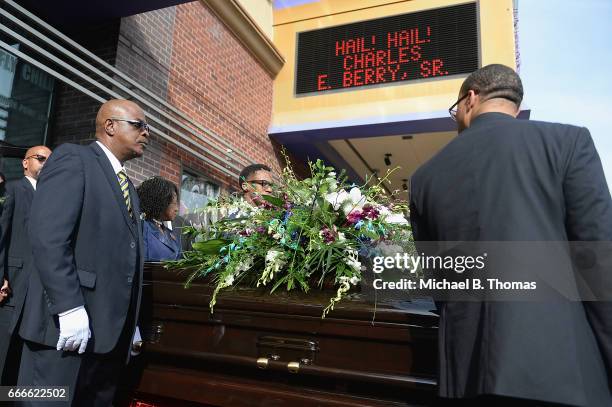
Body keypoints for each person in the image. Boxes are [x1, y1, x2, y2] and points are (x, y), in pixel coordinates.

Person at [410, 64, 612, 406]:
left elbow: (439, 283)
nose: (456, 116)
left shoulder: (424, 177)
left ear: (470, 99)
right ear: (515, 108)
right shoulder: (567, 142)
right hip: (563, 374)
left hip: (462, 376)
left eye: (454, 109)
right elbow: (600, 265)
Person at [18, 99, 149, 405]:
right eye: (139, 125)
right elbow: (48, 237)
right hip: (63, 331)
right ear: (110, 126)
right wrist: (69, 307)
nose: (147, 133)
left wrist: (131, 323)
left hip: (107, 340)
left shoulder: (129, 188)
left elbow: (127, 258)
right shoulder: (73, 159)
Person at [0, 146, 52, 384]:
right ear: (25, 163)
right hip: (11, 286)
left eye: (50, 161)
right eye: (40, 159)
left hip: (37, 293)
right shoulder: (12, 189)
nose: (45, 164)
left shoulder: (53, 197)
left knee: (19, 364)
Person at [137, 176, 181, 261]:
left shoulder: (171, 234)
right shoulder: (142, 228)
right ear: (160, 201)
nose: (176, 209)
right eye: (173, 203)